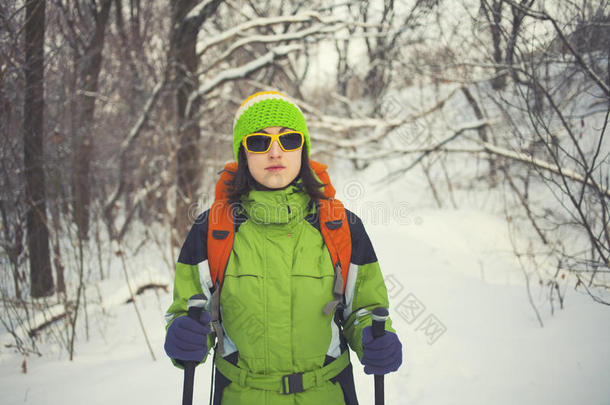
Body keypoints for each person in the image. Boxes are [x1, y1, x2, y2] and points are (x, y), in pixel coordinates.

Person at [164, 91, 403, 405]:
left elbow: (364, 309)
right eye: (260, 142)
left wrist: (377, 336)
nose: (275, 152)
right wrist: (183, 334)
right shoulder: (212, 230)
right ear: (243, 154)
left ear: (302, 150)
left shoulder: (341, 226)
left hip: (326, 395)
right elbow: (192, 313)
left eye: (289, 140)